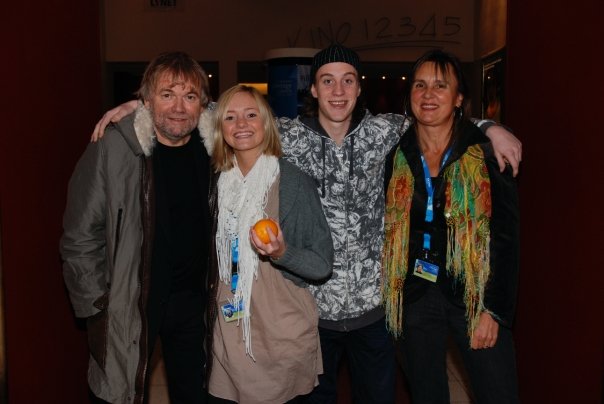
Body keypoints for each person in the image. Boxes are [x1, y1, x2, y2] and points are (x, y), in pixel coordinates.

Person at [90, 43, 522, 404]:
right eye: (327, 81)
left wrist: (489, 126)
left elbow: (440, 118)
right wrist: (143, 107)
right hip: (314, 313)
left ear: (359, 87)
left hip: (376, 311)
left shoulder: (388, 132)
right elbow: (226, 115)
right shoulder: (288, 134)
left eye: (348, 80)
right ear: (313, 89)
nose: (337, 90)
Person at [60, 51, 212, 404]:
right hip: (131, 299)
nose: (178, 107)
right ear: (145, 100)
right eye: (166, 94)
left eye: (189, 97)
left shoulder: (215, 146)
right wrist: (96, 304)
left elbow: (248, 114)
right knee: (124, 392)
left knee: (198, 395)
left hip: (195, 302)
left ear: (202, 105)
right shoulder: (113, 148)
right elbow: (79, 236)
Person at [382, 49, 520, 403]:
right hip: (415, 294)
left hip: (474, 296)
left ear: (459, 98)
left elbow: (506, 239)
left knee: (497, 393)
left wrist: (494, 311)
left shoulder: (487, 155)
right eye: (420, 85)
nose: (428, 95)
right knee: (426, 394)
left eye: (440, 86)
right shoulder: (397, 156)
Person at [204, 84, 333, 403]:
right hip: (230, 323)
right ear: (221, 129)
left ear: (266, 123)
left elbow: (321, 264)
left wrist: (281, 252)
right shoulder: (216, 183)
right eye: (230, 117)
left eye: (251, 115)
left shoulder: (292, 183)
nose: (241, 124)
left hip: (280, 328)